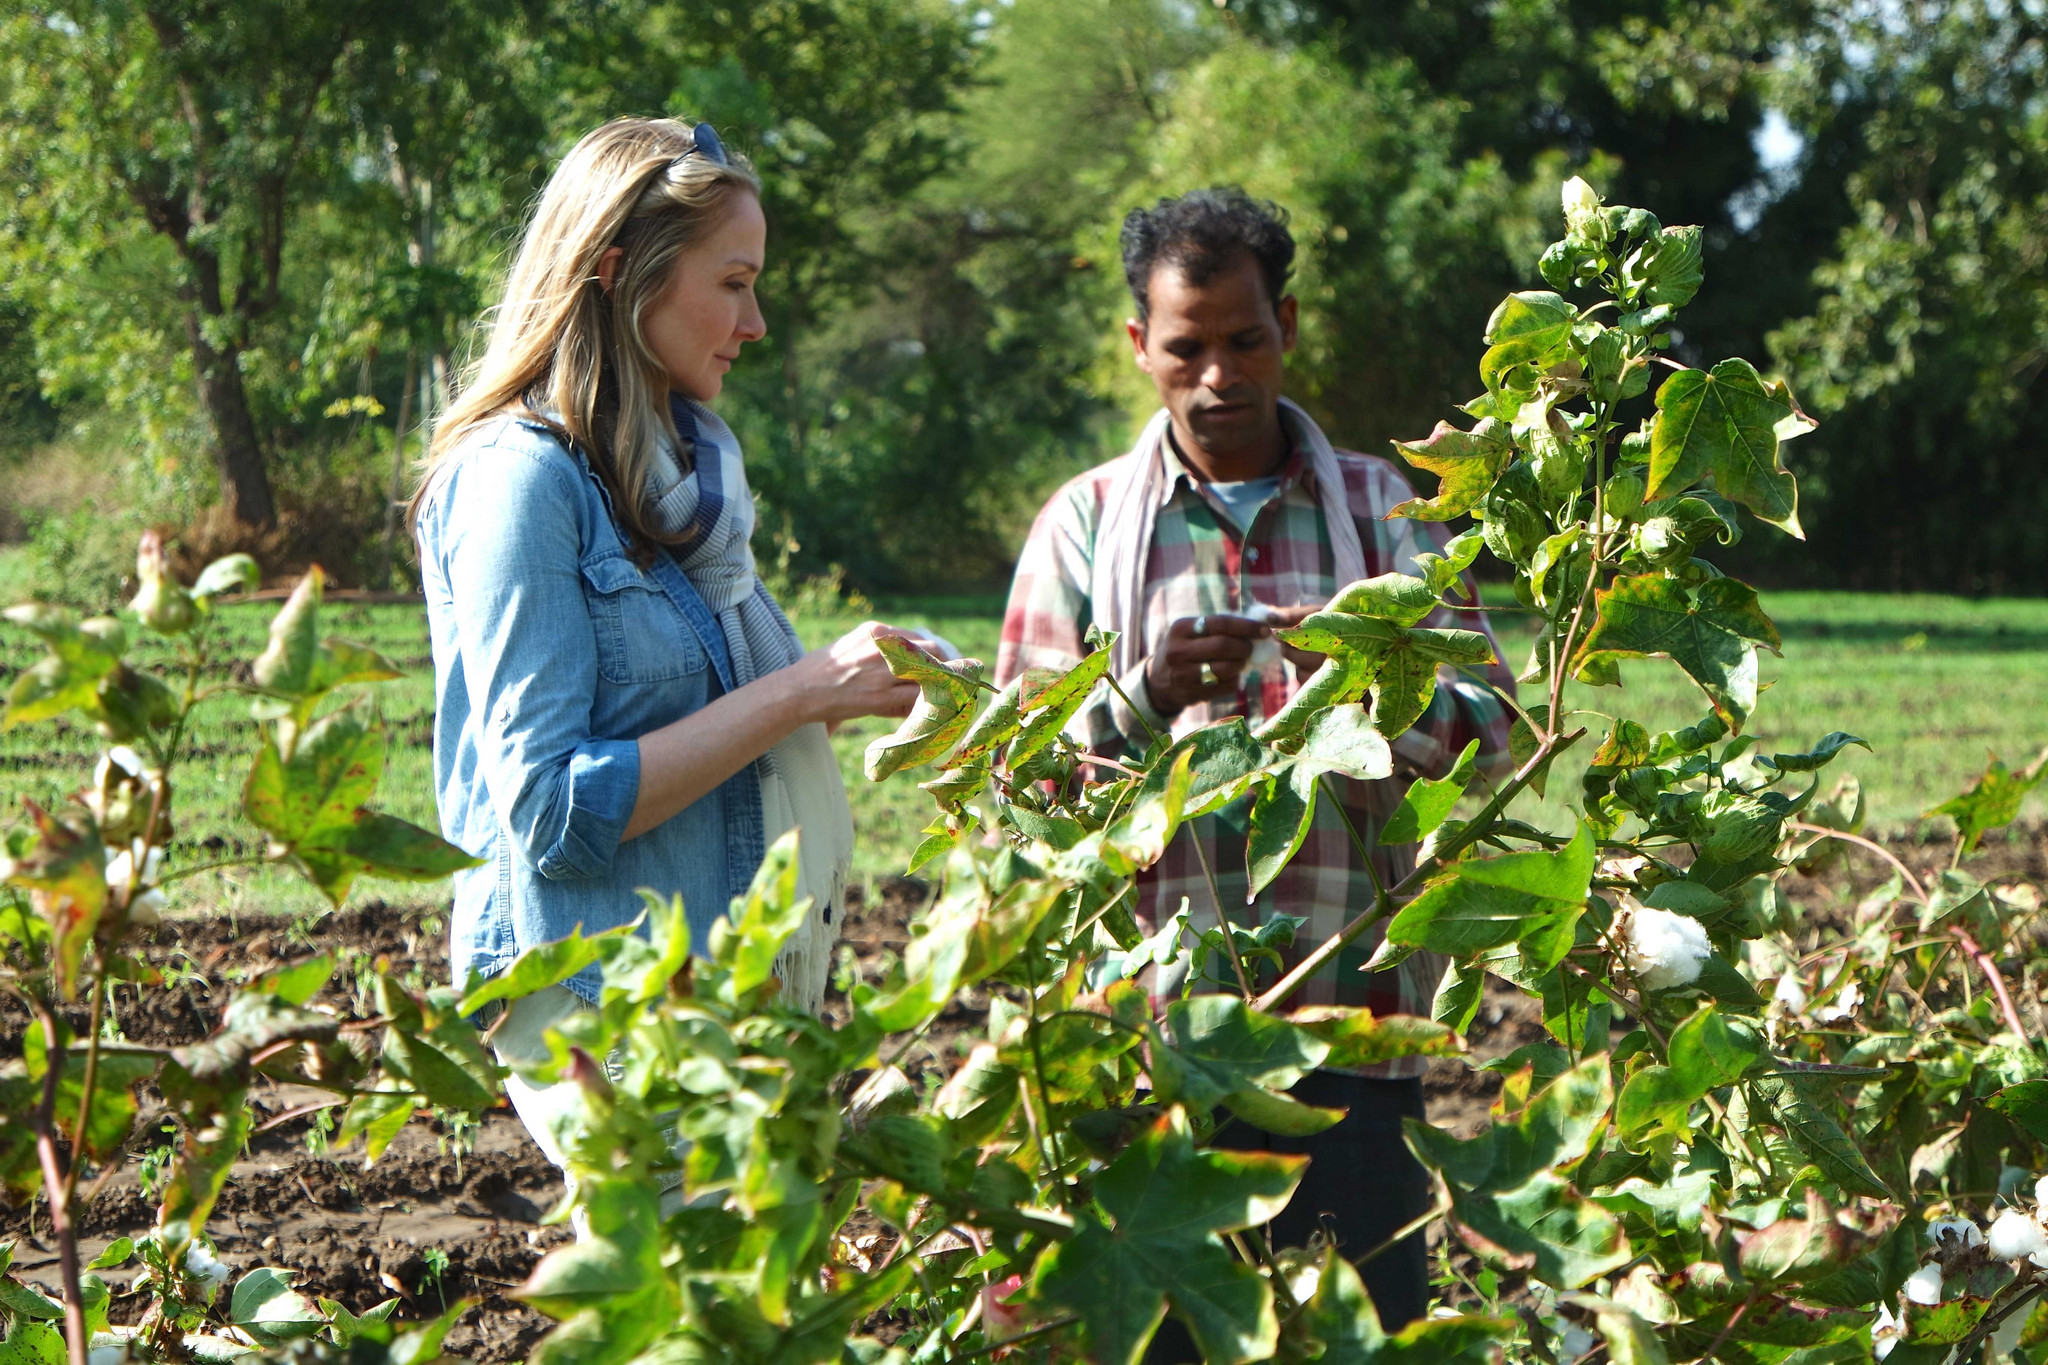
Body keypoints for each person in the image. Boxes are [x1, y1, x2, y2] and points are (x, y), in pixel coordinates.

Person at [994, 187, 1517, 1336]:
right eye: (1186, 348)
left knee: (1369, 1327)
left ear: (1286, 324)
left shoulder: (1392, 512)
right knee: (1174, 1333)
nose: (1218, 376)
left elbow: (1495, 724)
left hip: (1353, 1012)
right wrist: (1141, 698)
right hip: (1154, 1033)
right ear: (1140, 346)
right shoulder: (1081, 526)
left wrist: (1361, 695)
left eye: (1244, 341)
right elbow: (1019, 786)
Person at [409, 116, 927, 1196]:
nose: (758, 321)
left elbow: (709, 702)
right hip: (607, 1006)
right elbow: (552, 811)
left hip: (711, 989)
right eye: (732, 284)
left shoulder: (674, 477)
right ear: (615, 274)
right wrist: (799, 693)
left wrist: (855, 684)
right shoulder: (522, 485)